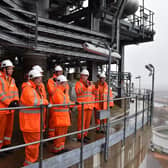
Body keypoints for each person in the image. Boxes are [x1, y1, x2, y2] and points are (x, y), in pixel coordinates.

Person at [20, 69, 48, 166]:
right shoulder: (28, 89)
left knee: (34, 145)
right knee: (32, 146)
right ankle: (29, 164)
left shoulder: (34, 88)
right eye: (39, 78)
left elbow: (41, 98)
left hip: (34, 123)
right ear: (34, 79)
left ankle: (31, 163)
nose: (41, 80)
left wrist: (44, 100)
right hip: (30, 124)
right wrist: (45, 102)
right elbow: (35, 102)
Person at [49, 75, 74, 154]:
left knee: (63, 134)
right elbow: (62, 103)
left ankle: (61, 147)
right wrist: (71, 104)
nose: (66, 84)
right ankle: (57, 149)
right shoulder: (57, 92)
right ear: (61, 83)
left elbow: (67, 102)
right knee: (59, 134)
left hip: (64, 116)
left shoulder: (63, 92)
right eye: (65, 83)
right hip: (59, 117)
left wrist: (73, 104)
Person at [0, 59, 19, 154]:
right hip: (2, 110)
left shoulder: (12, 80)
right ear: (4, 69)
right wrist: (9, 103)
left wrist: (16, 100)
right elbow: (0, 93)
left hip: (10, 109)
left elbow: (15, 91)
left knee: (8, 129)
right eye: (10, 69)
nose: (12, 70)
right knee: (0, 129)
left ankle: (6, 145)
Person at [47, 65, 69, 138]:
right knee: (53, 120)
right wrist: (58, 87)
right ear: (55, 72)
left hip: (63, 103)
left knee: (60, 122)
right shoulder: (51, 80)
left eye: (61, 71)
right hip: (54, 102)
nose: (59, 73)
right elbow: (51, 92)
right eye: (58, 71)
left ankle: (57, 136)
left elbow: (66, 91)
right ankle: (51, 135)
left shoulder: (63, 80)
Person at [75, 69, 95, 143]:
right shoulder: (78, 84)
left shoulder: (89, 84)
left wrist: (94, 85)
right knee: (81, 123)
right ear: (81, 76)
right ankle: (80, 137)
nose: (85, 77)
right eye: (84, 75)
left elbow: (94, 91)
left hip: (89, 106)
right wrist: (85, 86)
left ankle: (85, 135)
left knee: (87, 123)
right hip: (82, 107)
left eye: (86, 76)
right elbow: (78, 92)